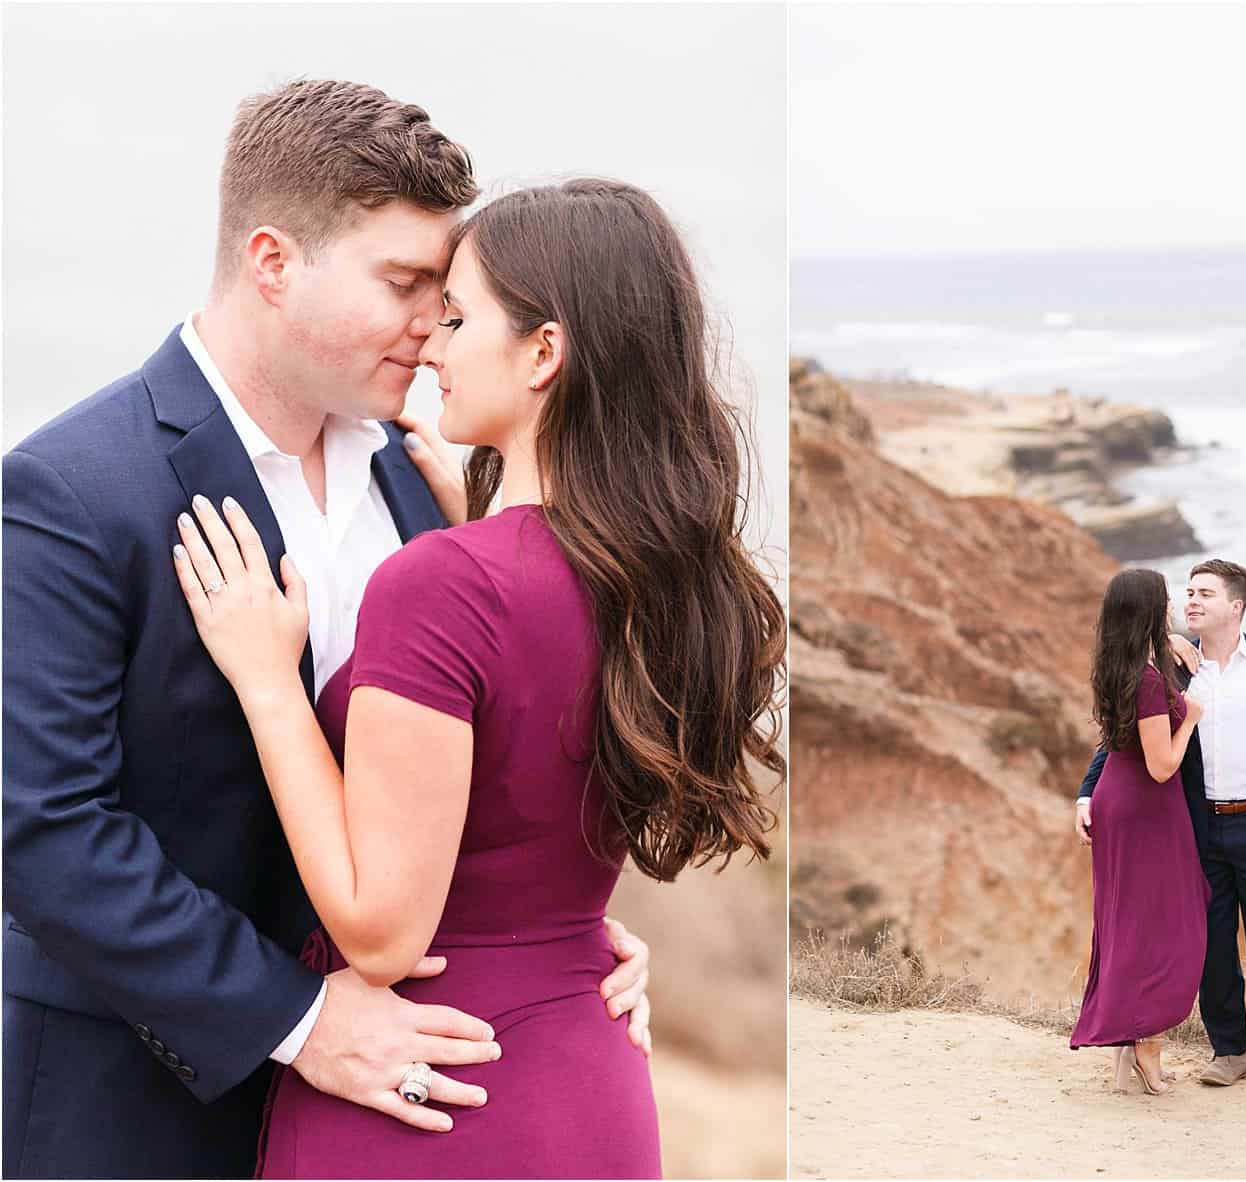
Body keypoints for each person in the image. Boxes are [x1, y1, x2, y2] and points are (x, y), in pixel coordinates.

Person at [2, 82, 657, 1180]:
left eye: (445, 295)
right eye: (402, 284)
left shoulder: (420, 482)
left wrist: (557, 930)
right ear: (272, 261)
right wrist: (300, 1018)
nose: (431, 324)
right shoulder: (71, 489)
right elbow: (44, 832)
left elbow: (472, 752)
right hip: (135, 1108)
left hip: (402, 1103)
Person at [170, 175, 785, 1178]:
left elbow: (380, 931)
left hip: (431, 1094)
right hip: (592, 1086)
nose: (433, 347)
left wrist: (268, 681)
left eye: (457, 316)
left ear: (544, 352)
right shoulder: (662, 580)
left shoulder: (443, 583)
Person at [1075, 558, 1246, 1101]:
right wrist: (1087, 790)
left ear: (1236, 605)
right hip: (1195, 832)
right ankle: (1231, 1053)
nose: (1192, 600)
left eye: (1205, 593)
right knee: (1210, 948)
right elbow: (1124, 736)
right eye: (1188, 592)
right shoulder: (1171, 667)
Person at [1068, 569, 1209, 1093]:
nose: (1175, 608)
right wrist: (1190, 717)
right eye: (1167, 603)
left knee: (1128, 921)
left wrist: (1169, 642)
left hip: (1121, 803)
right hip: (1148, 807)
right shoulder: (1149, 680)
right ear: (1151, 611)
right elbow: (1162, 766)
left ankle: (1130, 1040)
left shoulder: (1116, 666)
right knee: (1168, 927)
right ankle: (1146, 1044)